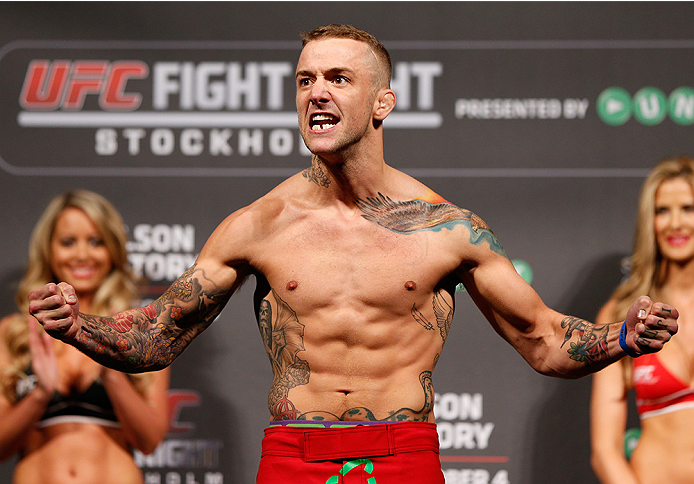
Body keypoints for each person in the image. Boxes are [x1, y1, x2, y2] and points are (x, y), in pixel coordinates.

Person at [28, 25, 677, 484]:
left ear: (382, 103)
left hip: (403, 456)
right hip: (292, 457)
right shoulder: (259, 225)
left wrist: (624, 335)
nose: (317, 92)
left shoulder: (447, 229)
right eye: (306, 79)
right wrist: (76, 326)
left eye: (339, 78)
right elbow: (158, 337)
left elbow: (543, 340)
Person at [0, 190, 170, 484]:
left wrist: (113, 370)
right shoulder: (14, 333)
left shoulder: (139, 330)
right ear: (49, 250)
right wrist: (40, 394)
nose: (82, 254)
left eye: (96, 242)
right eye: (68, 242)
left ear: (112, 251)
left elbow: (149, 440)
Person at [590, 156, 694, 484]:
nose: (676, 223)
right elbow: (604, 450)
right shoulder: (621, 315)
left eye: (689, 208)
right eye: (662, 210)